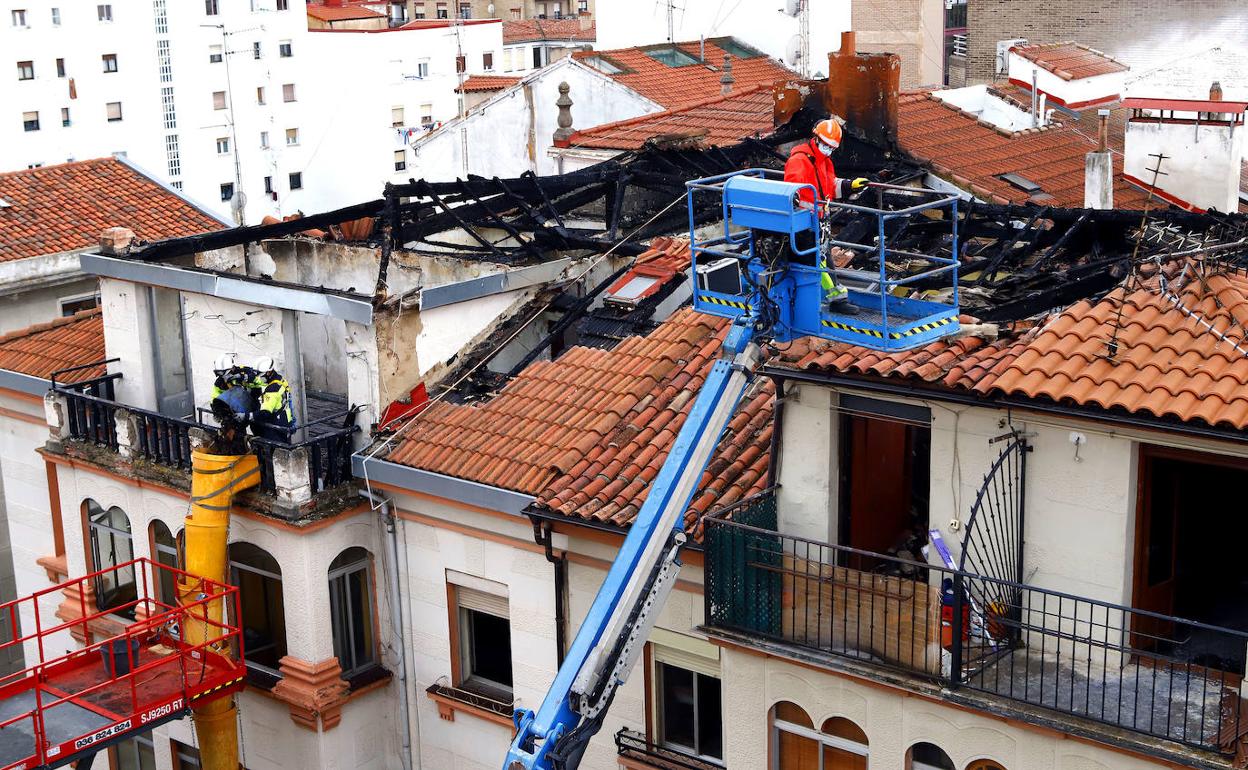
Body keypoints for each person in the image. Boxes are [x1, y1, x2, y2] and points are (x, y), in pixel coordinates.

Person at [783, 117, 870, 315]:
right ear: (816, 139)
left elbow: (829, 186)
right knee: (818, 260)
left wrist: (849, 185)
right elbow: (792, 191)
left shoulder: (824, 162)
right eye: (826, 145)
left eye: (831, 147)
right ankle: (836, 300)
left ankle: (837, 299)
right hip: (805, 223)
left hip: (818, 221)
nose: (828, 149)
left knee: (822, 258)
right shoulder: (799, 161)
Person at [251, 356, 296, 442]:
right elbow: (260, 382)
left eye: (260, 375)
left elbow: (265, 413)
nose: (259, 378)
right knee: (286, 446)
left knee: (275, 448)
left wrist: (248, 416)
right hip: (285, 421)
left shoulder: (272, 390)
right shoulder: (279, 379)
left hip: (275, 427)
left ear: (268, 373)